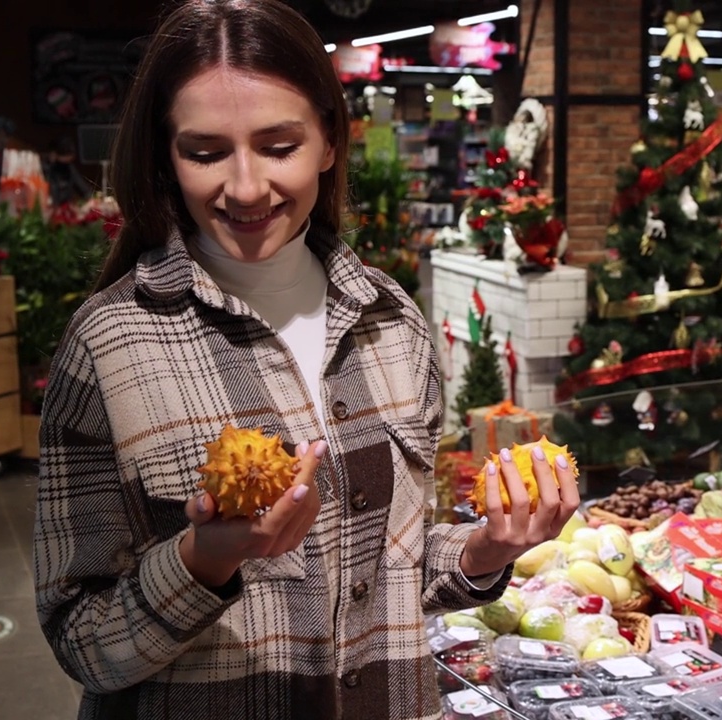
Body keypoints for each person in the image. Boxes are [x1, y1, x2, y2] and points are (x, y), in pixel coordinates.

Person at [32, 2, 580, 719]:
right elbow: (83, 642)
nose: (248, 187)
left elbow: (393, 574)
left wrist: (486, 550)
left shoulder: (395, 325)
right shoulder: (109, 344)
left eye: (279, 145)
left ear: (328, 139)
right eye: (205, 152)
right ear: (166, 156)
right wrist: (205, 558)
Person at [43, 135, 93, 206]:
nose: (65, 165)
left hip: (65, 210)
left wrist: (90, 200)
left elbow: (85, 190)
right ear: (53, 154)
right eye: (63, 161)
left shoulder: (68, 167)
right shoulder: (43, 167)